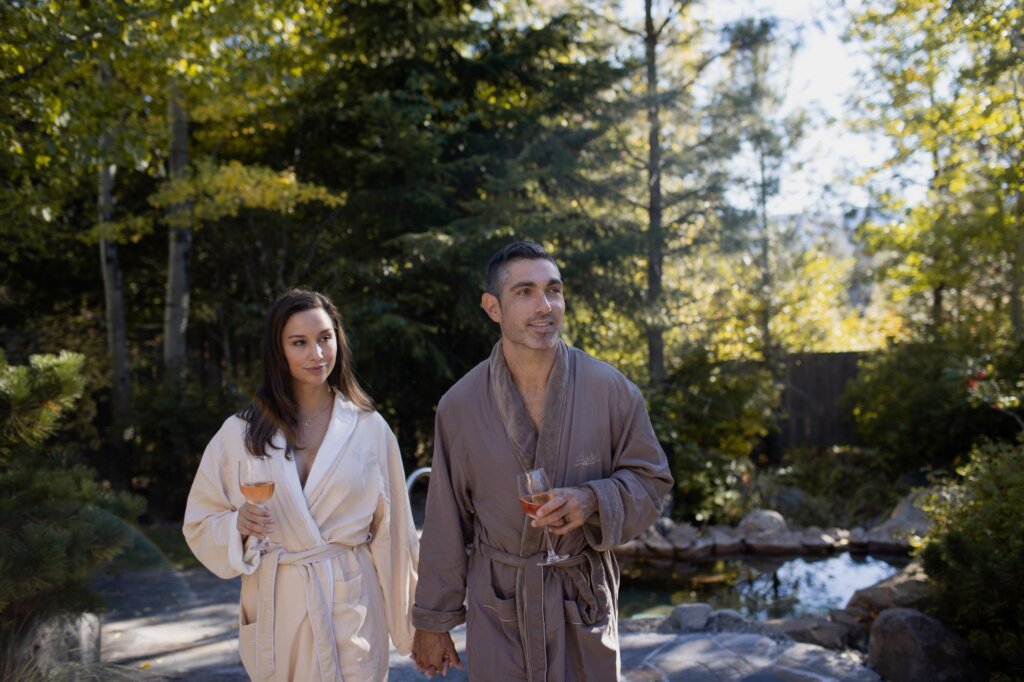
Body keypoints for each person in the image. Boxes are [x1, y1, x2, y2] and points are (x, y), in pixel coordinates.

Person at [410, 241, 673, 680]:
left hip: (581, 600)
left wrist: (592, 500)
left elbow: (652, 480)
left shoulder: (610, 389)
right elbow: (444, 520)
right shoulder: (460, 405)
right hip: (500, 606)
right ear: (492, 307)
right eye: (525, 292)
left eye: (554, 290)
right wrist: (432, 622)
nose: (544, 306)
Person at [183, 289, 418, 681]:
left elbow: (395, 537)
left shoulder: (368, 428)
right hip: (280, 604)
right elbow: (199, 520)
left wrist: (415, 630)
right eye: (300, 343)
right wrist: (237, 527)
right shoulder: (240, 433)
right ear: (278, 351)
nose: (317, 354)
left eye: (325, 338)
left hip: (351, 605)